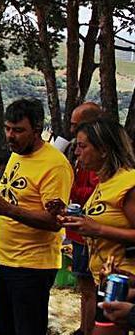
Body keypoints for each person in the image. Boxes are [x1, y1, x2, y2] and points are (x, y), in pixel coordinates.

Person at [0, 98, 73, 335]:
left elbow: (54, 222)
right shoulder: (17, 152)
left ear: (37, 130)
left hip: (33, 266)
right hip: (5, 259)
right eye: (8, 128)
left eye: (19, 130)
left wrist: (7, 210)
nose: (11, 136)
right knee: (6, 328)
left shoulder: (54, 165)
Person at [61, 118, 135, 335]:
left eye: (83, 146)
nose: (77, 152)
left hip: (125, 282)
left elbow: (102, 227)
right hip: (103, 278)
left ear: (103, 150)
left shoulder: (128, 183)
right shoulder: (104, 182)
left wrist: (98, 230)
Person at [64, 102, 104, 335]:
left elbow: (93, 195)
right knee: (84, 285)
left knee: (91, 286)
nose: (71, 129)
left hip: (89, 235)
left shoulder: (96, 163)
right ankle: (84, 327)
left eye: (75, 124)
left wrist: (70, 190)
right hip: (78, 234)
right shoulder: (78, 155)